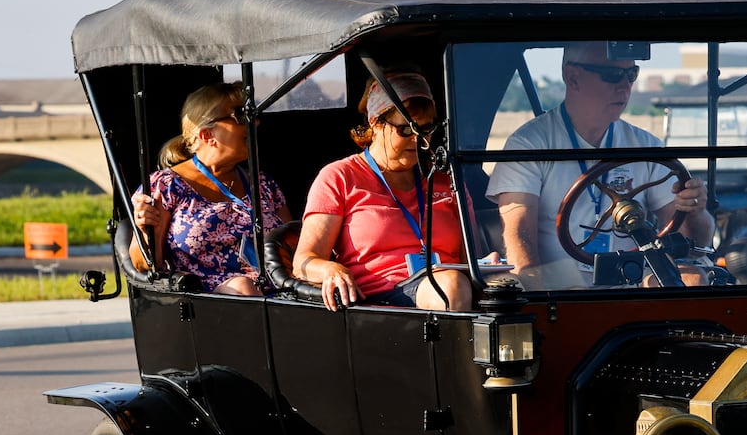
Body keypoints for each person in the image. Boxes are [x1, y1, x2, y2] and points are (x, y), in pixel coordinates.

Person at [487, 42, 714, 289]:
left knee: (693, 280)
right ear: (572, 77)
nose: (625, 85)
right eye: (613, 75)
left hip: (633, 276)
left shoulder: (646, 146)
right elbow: (519, 234)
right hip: (562, 282)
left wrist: (695, 210)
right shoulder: (529, 144)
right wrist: (536, 289)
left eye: (631, 74)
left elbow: (693, 245)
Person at [293, 70, 470, 312]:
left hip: (451, 288)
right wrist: (330, 269)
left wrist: (487, 265)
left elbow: (470, 256)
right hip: (379, 302)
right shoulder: (340, 176)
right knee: (449, 285)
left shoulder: (445, 178)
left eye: (427, 129)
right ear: (376, 123)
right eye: (407, 130)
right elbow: (303, 261)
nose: (420, 141)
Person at [131, 83, 292, 295]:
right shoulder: (166, 186)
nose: (255, 122)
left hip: (279, 293)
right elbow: (144, 266)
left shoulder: (262, 183)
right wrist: (147, 231)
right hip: (209, 305)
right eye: (240, 115)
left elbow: (295, 243)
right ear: (208, 135)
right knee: (243, 287)